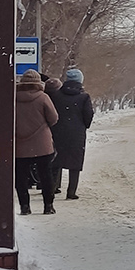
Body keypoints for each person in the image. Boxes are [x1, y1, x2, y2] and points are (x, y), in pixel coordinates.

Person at [15, 69, 58, 214]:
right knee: (45, 175)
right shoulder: (43, 98)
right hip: (42, 144)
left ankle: (25, 207)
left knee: (21, 177)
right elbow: (53, 118)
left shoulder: (13, 98)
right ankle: (48, 206)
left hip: (19, 144)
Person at [50, 67, 95, 200]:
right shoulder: (84, 97)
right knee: (75, 162)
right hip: (76, 133)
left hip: (57, 131)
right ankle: (71, 192)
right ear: (80, 81)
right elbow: (88, 115)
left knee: (56, 161)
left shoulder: (56, 95)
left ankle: (51, 189)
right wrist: (84, 126)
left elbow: (51, 113)